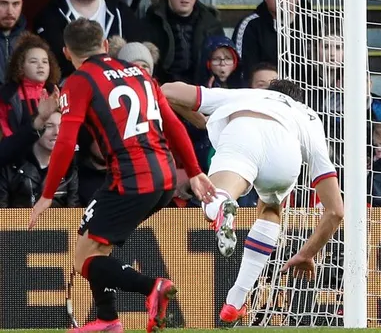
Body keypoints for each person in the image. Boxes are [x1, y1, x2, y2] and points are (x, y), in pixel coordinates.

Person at [27, 18, 214, 333]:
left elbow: (66, 142)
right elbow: (173, 124)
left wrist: (47, 195)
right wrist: (194, 171)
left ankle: (151, 287)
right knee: (93, 244)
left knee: (84, 260)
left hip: (130, 180)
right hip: (164, 177)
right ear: (104, 45)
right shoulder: (140, 73)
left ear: (66, 53)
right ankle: (107, 319)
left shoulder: (79, 81)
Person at [160, 79, 345, 326]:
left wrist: (198, 120)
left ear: (268, 93)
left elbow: (166, 92)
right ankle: (235, 301)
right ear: (298, 101)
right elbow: (335, 212)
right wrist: (306, 254)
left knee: (216, 195)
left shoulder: (247, 94)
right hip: (286, 149)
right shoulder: (309, 117)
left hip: (243, 132)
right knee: (271, 208)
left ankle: (221, 206)